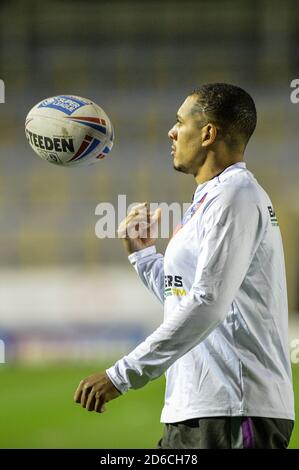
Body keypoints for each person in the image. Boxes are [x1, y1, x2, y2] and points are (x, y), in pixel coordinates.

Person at [74, 83, 295, 449]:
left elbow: (207, 303)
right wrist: (144, 256)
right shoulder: (211, 198)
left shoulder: (235, 195)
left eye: (180, 122)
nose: (171, 132)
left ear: (208, 133)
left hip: (234, 412)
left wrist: (120, 376)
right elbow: (185, 295)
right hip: (196, 408)